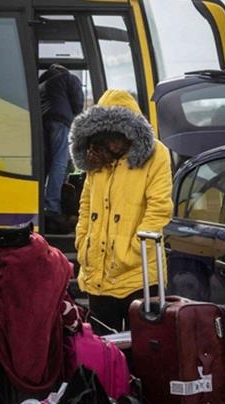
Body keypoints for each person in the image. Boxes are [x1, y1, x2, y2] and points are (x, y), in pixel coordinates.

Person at [69, 89, 173, 335]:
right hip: (98, 271)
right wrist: (83, 241)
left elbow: (159, 209)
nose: (112, 139)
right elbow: (86, 204)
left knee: (145, 351)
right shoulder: (95, 156)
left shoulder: (156, 154)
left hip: (140, 274)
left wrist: (133, 250)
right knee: (103, 350)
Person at [39, 64, 85, 233]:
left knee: (46, 164)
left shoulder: (42, 84)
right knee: (60, 162)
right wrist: (78, 119)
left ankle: (40, 201)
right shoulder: (68, 77)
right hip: (61, 121)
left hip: (43, 122)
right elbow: (78, 101)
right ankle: (52, 204)